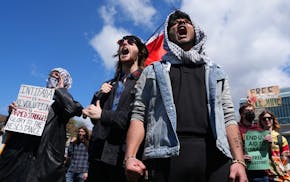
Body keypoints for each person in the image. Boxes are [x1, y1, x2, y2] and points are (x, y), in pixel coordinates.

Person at [125, 10, 248, 182]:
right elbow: (138, 115)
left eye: (186, 21)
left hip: (216, 158)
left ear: (195, 29)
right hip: (165, 158)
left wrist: (239, 161)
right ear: (168, 35)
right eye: (174, 24)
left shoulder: (216, 71)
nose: (181, 24)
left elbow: (228, 117)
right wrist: (130, 157)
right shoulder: (152, 71)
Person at [82, 35, 148, 182]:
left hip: (123, 158)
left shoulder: (145, 80)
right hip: (97, 155)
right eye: (121, 42)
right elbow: (96, 120)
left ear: (140, 52)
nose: (124, 43)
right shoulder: (109, 84)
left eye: (131, 42)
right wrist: (97, 96)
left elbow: (137, 118)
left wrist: (102, 115)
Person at [0, 67, 83, 182]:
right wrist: (12, 114)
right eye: (52, 75)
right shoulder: (31, 99)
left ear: (65, 82)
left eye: (58, 76)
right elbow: (12, 130)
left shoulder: (63, 106)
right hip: (18, 161)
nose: (53, 78)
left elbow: (72, 108)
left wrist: (60, 90)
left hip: (43, 165)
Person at [238, 103, 269, 181]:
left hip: (260, 172)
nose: (250, 112)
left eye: (252, 111)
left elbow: (266, 150)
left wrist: (269, 142)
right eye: (248, 111)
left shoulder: (260, 129)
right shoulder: (236, 128)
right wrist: (240, 157)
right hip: (244, 171)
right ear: (241, 114)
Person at [258, 110, 290, 182]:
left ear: (273, 120)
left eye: (269, 118)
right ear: (261, 121)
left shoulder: (281, 138)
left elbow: (285, 159)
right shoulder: (255, 138)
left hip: (277, 176)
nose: (267, 120)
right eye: (264, 119)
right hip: (262, 175)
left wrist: (287, 176)